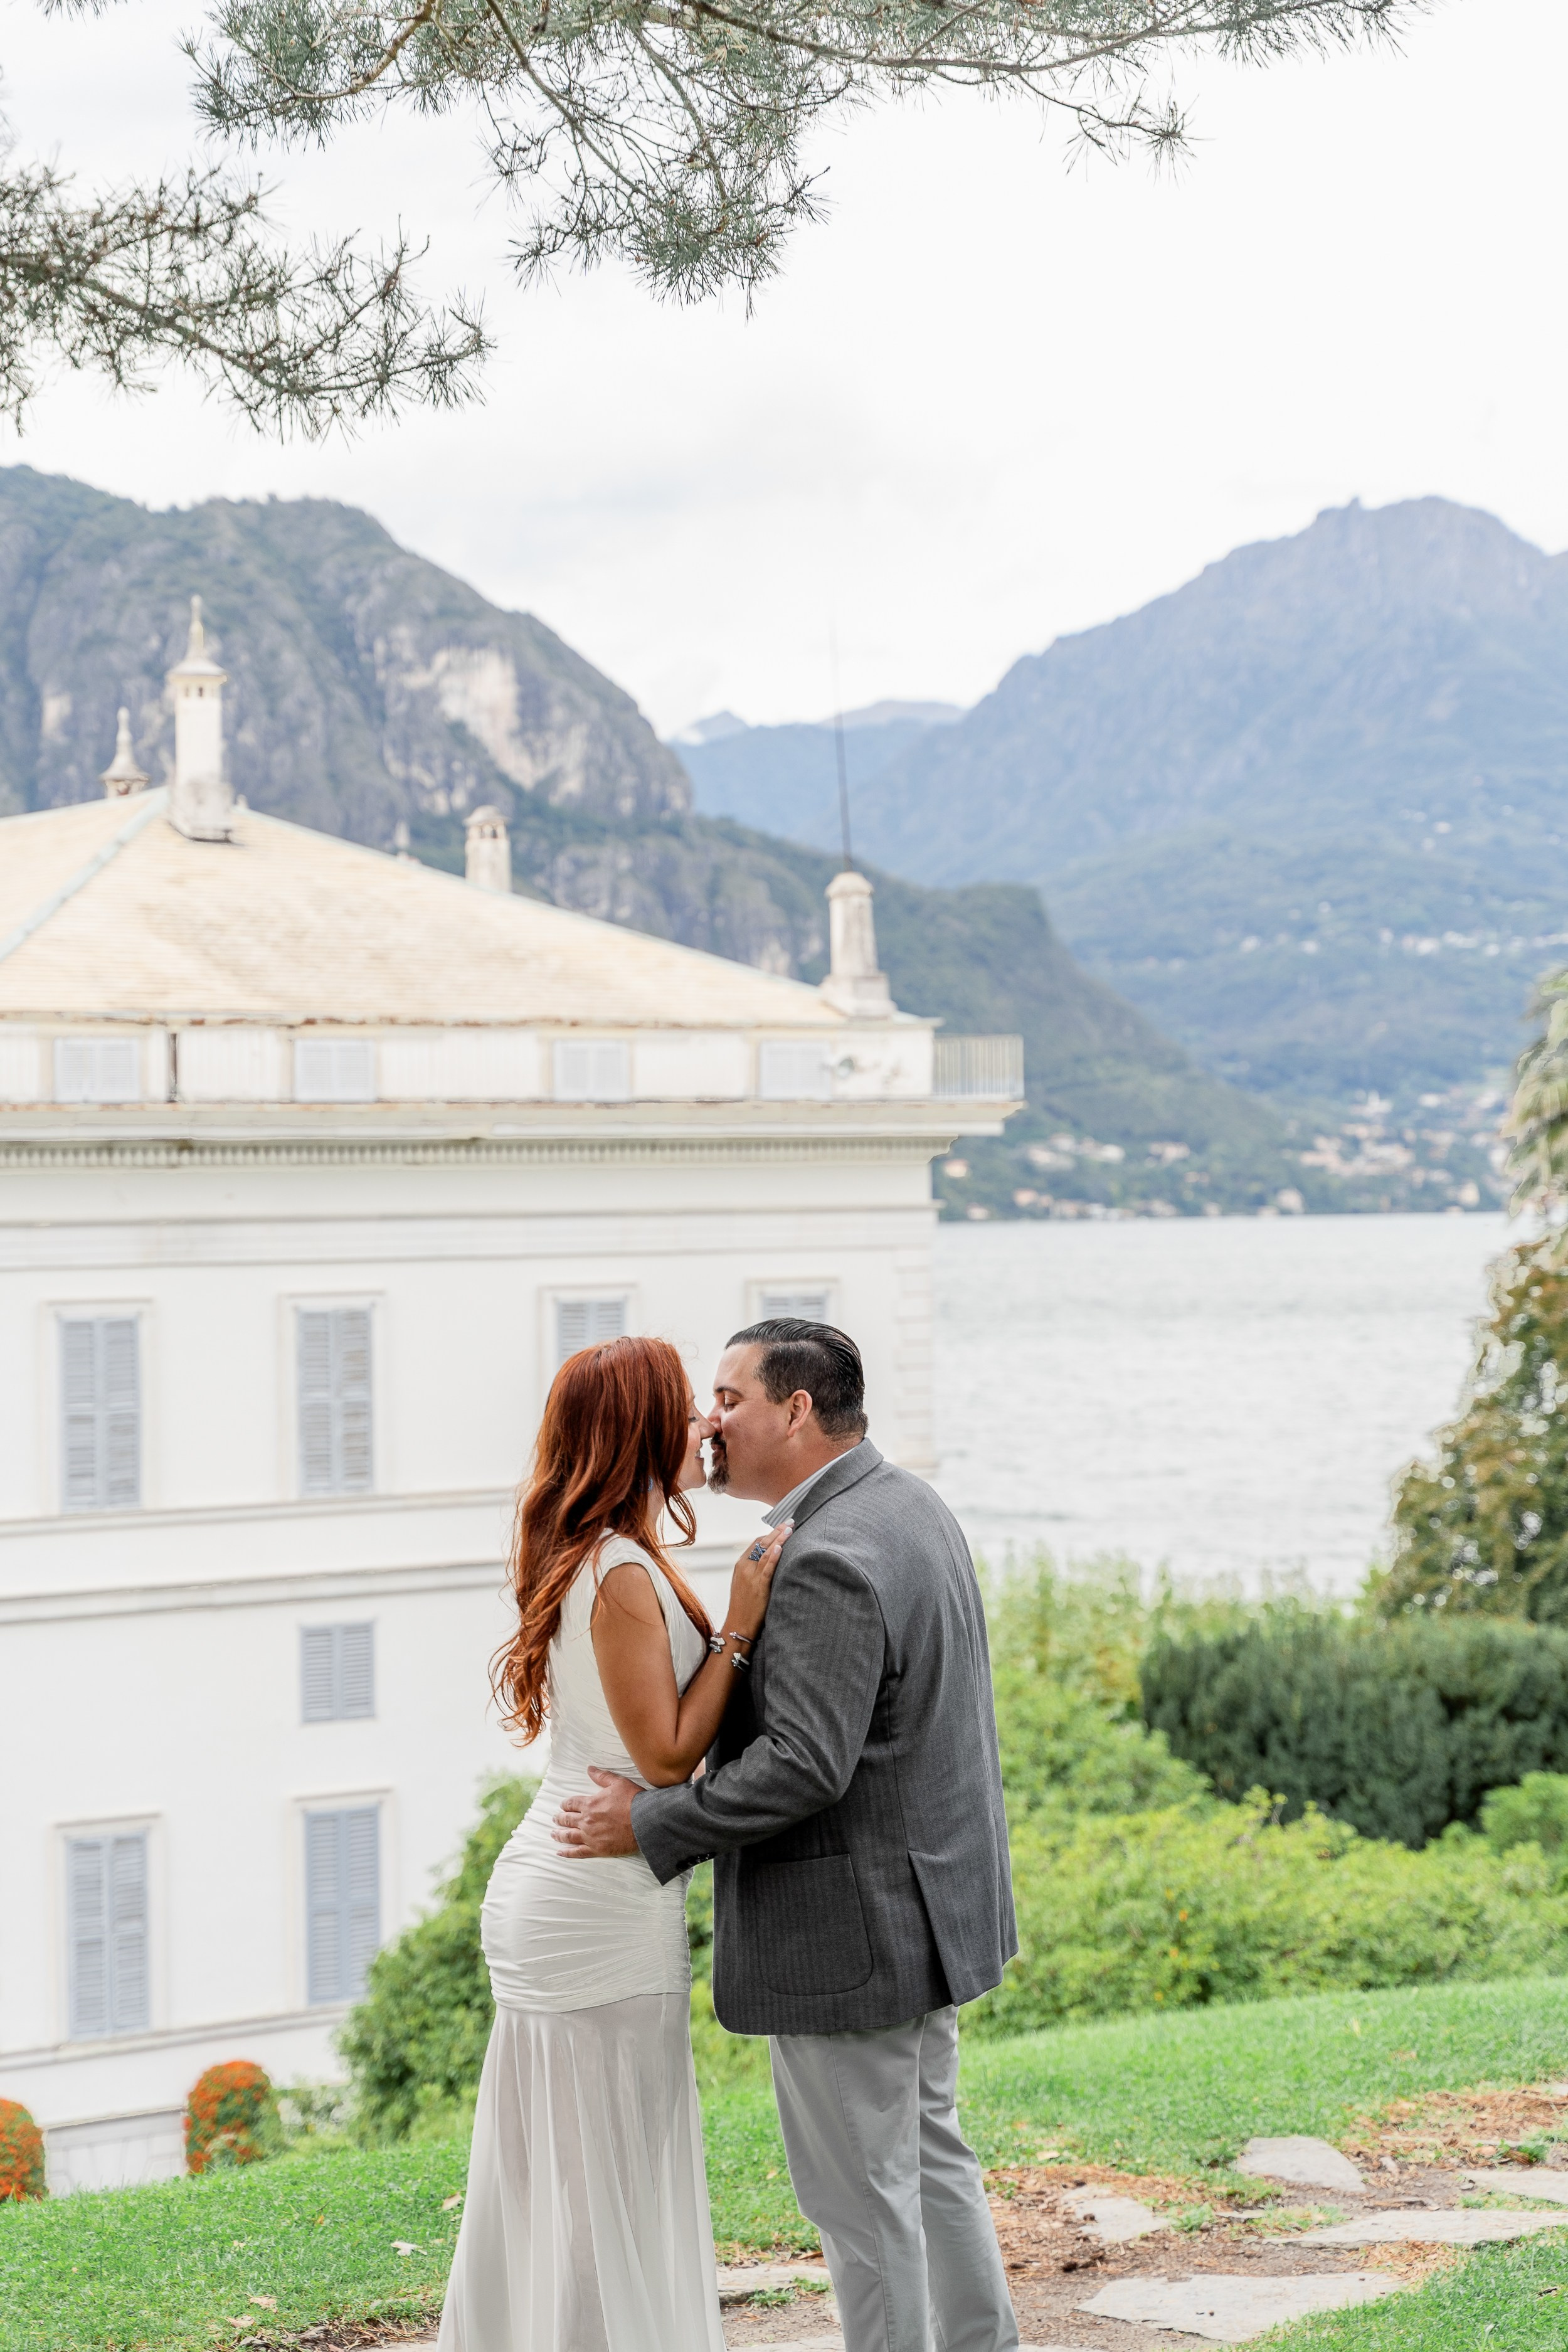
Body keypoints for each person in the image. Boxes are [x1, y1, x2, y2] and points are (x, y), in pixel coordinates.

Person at [555, 1317, 1020, 2352]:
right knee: (931, 2162)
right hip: (928, 1914)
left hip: (849, 1939)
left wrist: (650, 1822)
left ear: (797, 1410)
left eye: (729, 1398)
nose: (710, 1421)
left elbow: (805, 1765)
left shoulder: (826, 1556)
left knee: (862, 2207)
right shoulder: (909, 1505)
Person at [437, 1332, 790, 2352]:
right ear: (637, 1430)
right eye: (685, 1409)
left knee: (569, 2178)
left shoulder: (608, 1554)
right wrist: (739, 1626)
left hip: (580, 1879)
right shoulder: (624, 1571)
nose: (704, 1424)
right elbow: (671, 1756)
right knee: (606, 2182)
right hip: (591, 1904)